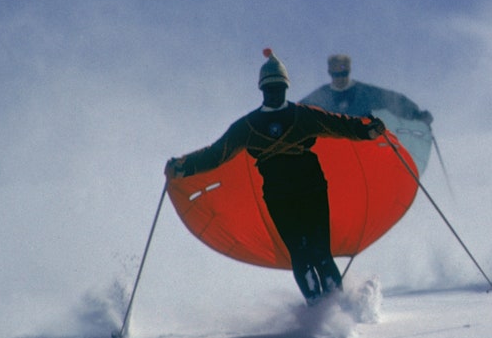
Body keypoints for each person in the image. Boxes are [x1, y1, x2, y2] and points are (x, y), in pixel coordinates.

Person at [167, 50, 387, 303]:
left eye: (279, 87)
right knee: (301, 254)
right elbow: (217, 154)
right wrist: (184, 166)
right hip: (280, 196)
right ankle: (320, 312)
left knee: (320, 252)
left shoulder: (302, 115)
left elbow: (339, 125)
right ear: (262, 90)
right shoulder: (247, 126)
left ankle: (341, 308)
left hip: (311, 190)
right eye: (270, 88)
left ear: (286, 87)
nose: (274, 92)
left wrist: (367, 130)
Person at [299, 54, 432, 125]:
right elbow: (297, 111)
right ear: (329, 72)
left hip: (362, 144)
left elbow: (391, 101)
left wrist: (417, 114)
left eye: (343, 74)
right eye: (335, 75)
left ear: (349, 71)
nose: (340, 79)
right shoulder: (321, 96)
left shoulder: (364, 93)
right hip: (335, 146)